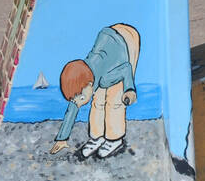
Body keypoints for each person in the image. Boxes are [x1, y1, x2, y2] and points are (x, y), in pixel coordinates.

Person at [51, 23, 141, 160]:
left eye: (81, 98)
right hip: (108, 40)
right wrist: (62, 138)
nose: (80, 102)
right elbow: (74, 104)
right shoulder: (85, 80)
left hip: (127, 40)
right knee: (97, 101)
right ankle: (97, 137)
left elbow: (126, 68)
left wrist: (129, 90)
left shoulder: (106, 78)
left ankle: (114, 139)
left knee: (115, 98)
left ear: (89, 85)